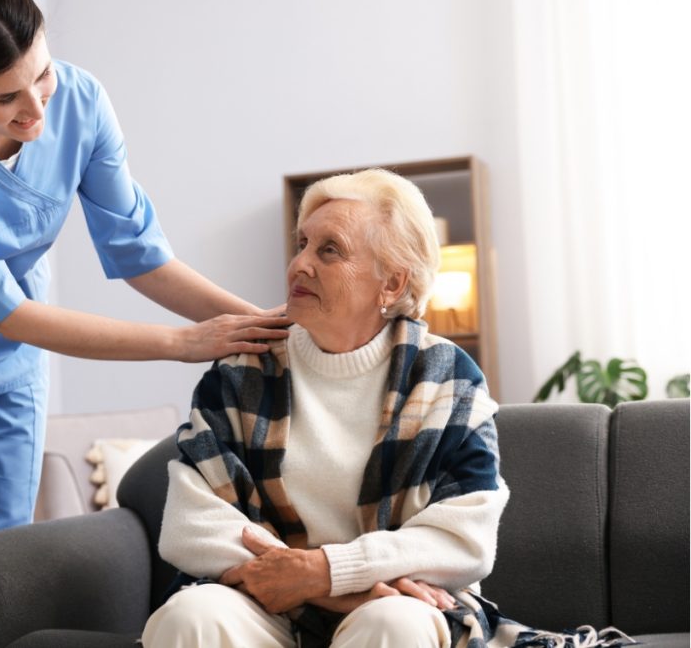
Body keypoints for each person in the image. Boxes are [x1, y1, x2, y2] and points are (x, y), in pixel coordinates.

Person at [0, 0, 289, 593]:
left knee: (2, 555)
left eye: (42, 75)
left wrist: (271, 326)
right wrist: (185, 343)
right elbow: (7, 311)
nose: (36, 109)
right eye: (5, 99)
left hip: (13, 358)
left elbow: (141, 255)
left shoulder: (82, 99)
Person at [142, 169, 632, 648]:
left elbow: (464, 539)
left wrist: (328, 574)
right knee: (191, 616)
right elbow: (192, 525)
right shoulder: (241, 371)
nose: (300, 265)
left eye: (329, 250)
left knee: (395, 625)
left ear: (393, 284)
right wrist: (311, 584)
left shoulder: (448, 376)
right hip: (265, 601)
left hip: (394, 603)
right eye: (302, 244)